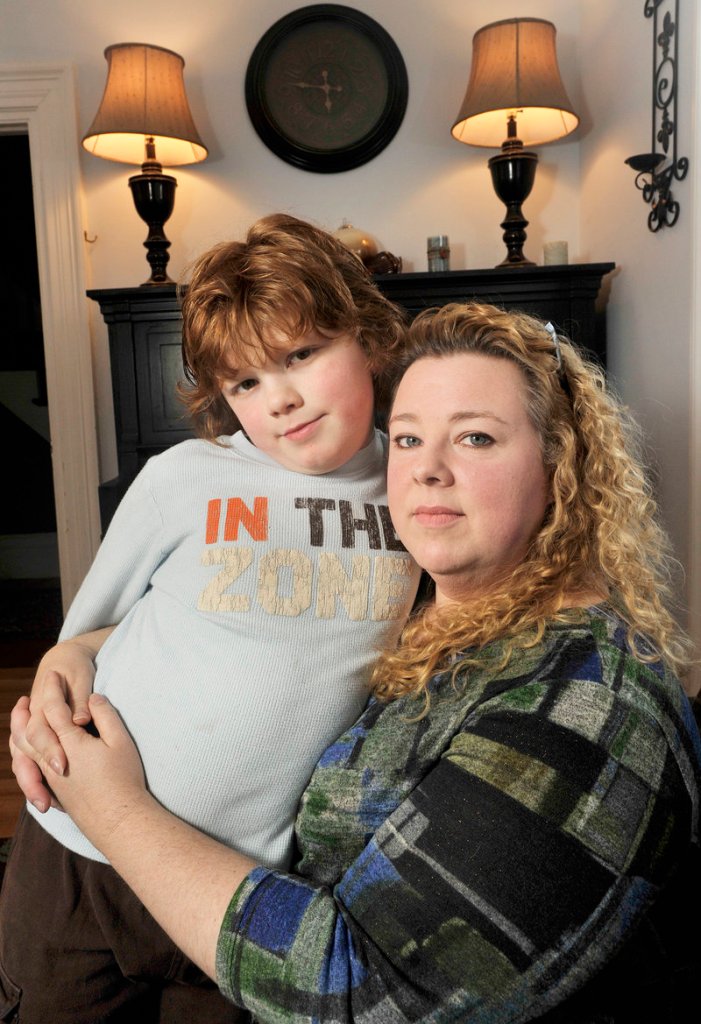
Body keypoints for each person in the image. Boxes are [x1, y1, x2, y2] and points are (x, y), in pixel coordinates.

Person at [9, 302, 701, 1022]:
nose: (428, 470)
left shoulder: (589, 702)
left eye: (474, 437)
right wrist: (78, 654)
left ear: (561, 462)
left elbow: (361, 993)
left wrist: (109, 804)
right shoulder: (423, 594)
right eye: (406, 438)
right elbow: (241, 617)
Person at [0, 214, 420, 1023]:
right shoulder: (183, 478)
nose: (282, 399)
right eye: (245, 383)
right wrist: (56, 678)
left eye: (301, 355)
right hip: (78, 852)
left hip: (238, 885)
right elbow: (87, 638)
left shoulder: (413, 491)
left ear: (366, 337)